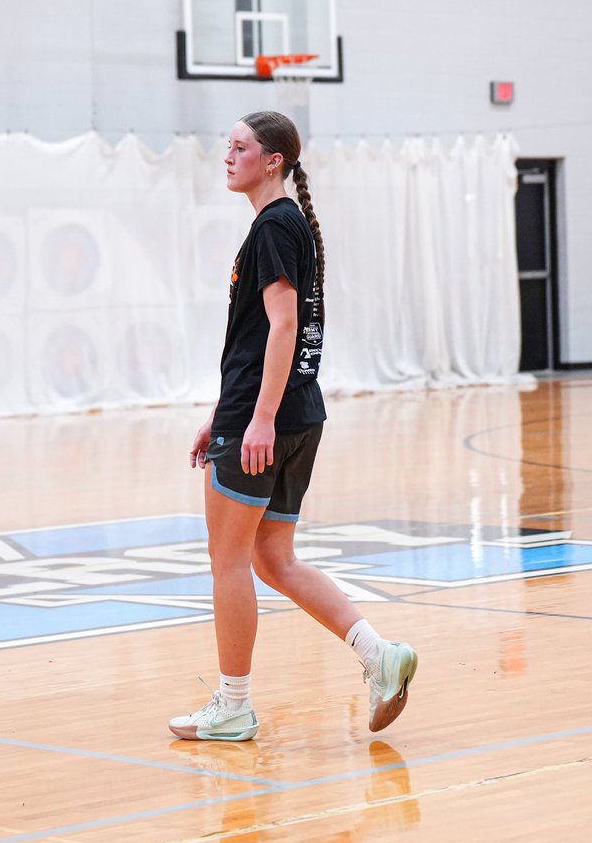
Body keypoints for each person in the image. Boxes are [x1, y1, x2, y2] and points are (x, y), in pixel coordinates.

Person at [169, 110, 418, 742]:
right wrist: (222, 414)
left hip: (268, 420)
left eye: (240, 147)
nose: (228, 156)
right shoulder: (289, 224)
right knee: (274, 559)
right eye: (227, 146)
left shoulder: (275, 227)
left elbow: (283, 327)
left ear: (272, 160)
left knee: (228, 560)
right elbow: (262, 339)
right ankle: (377, 655)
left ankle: (232, 704)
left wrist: (254, 421)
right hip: (296, 414)